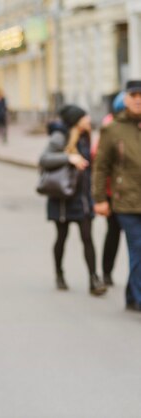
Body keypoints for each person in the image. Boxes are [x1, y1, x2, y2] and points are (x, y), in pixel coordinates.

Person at [39, 105, 107, 295]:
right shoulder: (60, 136)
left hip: (82, 198)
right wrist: (69, 158)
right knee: (62, 237)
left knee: (88, 238)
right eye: (84, 116)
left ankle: (94, 279)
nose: (88, 119)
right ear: (76, 120)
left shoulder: (85, 136)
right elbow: (44, 159)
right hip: (62, 198)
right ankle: (59, 274)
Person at [93, 79, 141, 312]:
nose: (138, 99)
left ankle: (132, 296)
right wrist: (100, 198)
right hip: (126, 201)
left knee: (138, 251)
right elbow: (100, 166)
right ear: (126, 99)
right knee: (138, 247)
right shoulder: (113, 129)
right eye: (134, 95)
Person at [92, 92, 126, 286]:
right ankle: (106, 271)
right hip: (113, 192)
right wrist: (102, 197)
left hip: (130, 191)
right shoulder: (110, 127)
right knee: (114, 233)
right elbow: (99, 160)